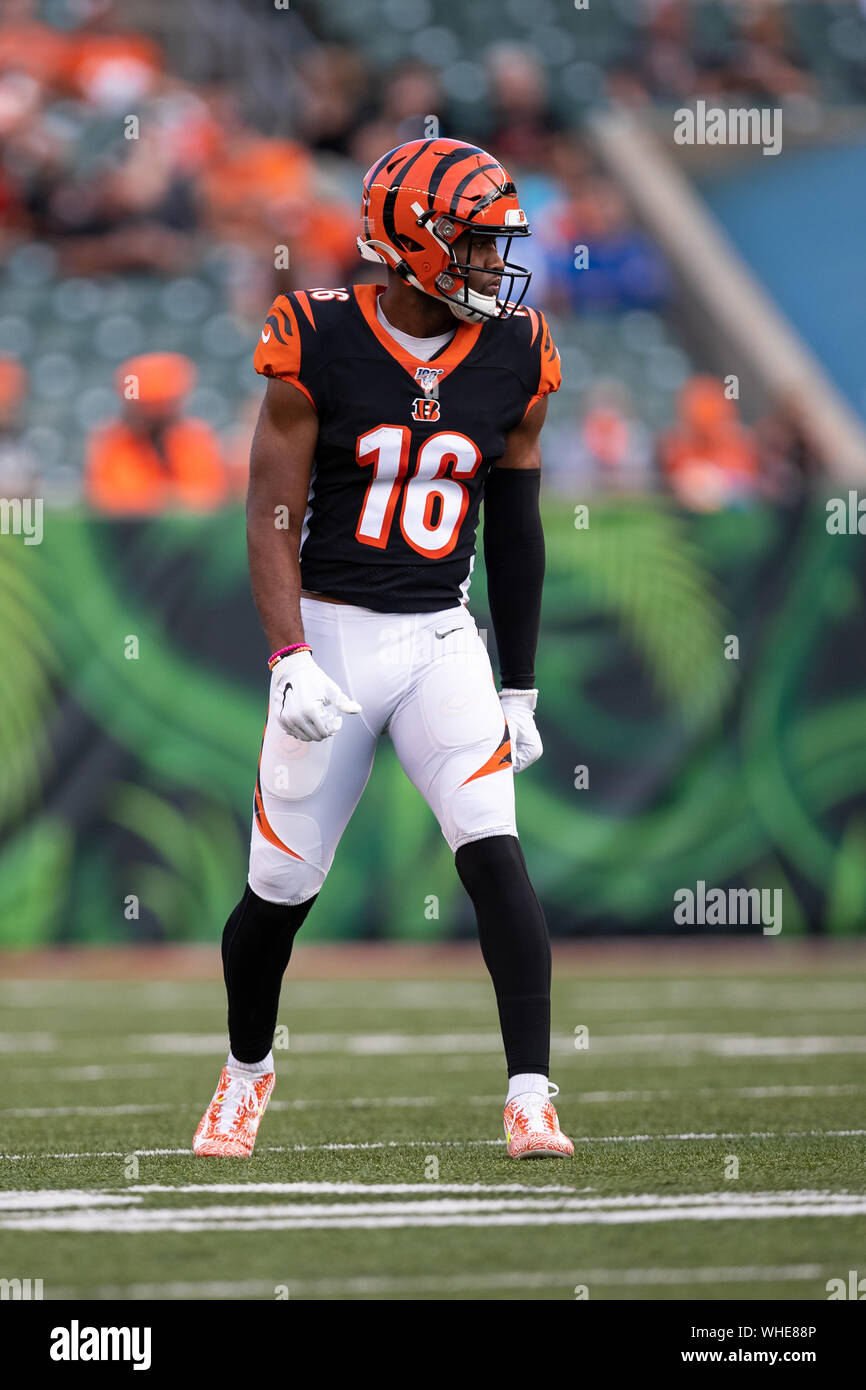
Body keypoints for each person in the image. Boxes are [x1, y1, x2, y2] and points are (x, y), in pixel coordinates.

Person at [193, 137, 574, 1161]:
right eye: (478, 244)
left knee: (493, 850)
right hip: (329, 633)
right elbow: (270, 509)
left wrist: (521, 685)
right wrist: (286, 656)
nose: (495, 266)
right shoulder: (314, 333)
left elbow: (518, 523)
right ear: (414, 239)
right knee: (277, 893)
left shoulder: (515, 349)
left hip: (439, 634)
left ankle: (530, 1093)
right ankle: (244, 1071)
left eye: (501, 245)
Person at [85, 352, 227, 514]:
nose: (152, 416)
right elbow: (109, 499)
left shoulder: (194, 439)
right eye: (145, 407)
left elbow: (207, 497)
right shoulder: (113, 441)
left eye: (161, 408)